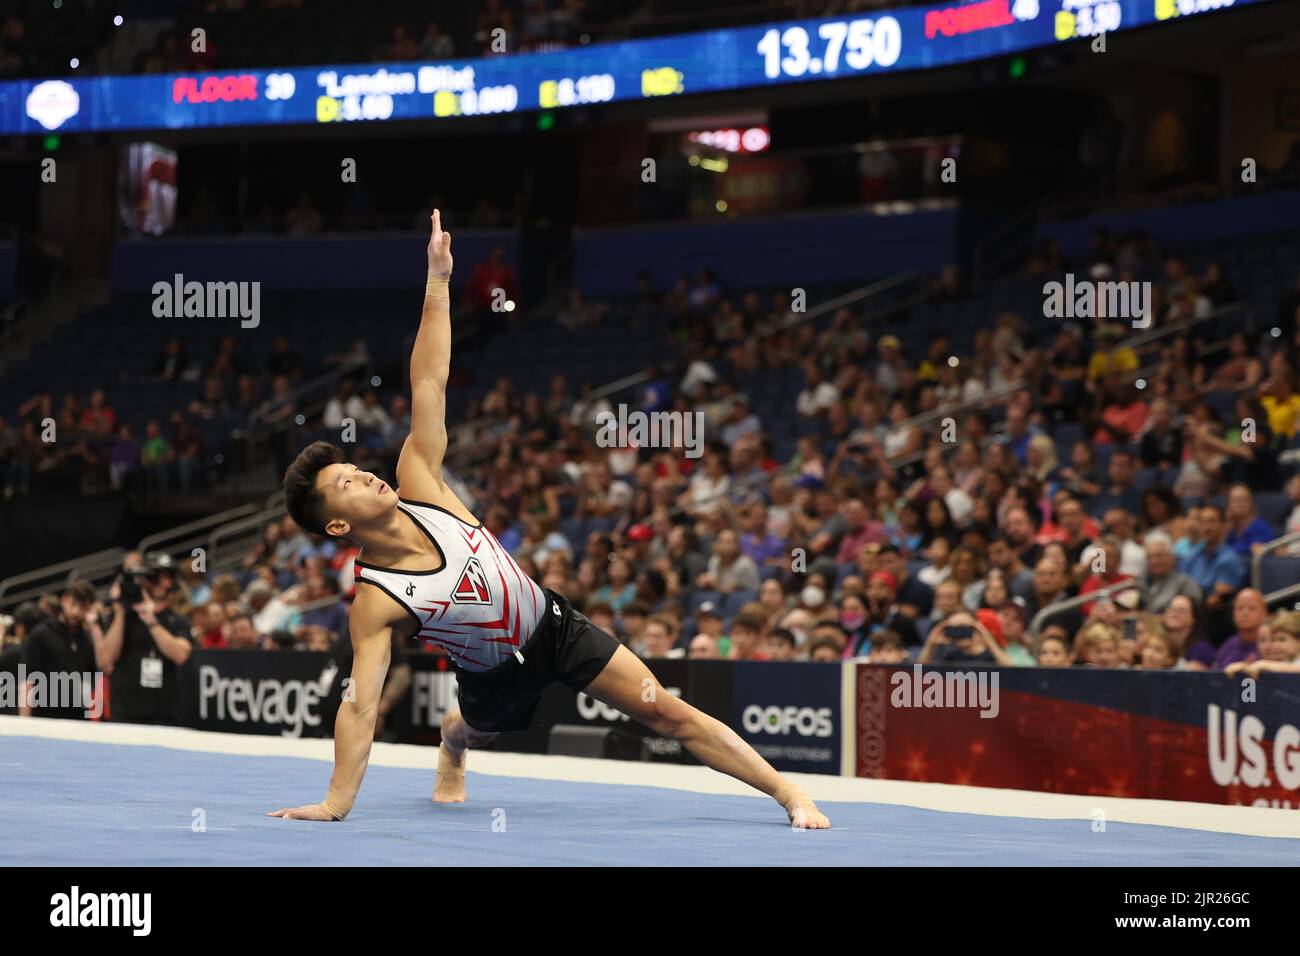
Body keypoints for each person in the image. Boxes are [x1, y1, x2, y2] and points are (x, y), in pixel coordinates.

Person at [270, 214, 828, 829]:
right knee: (472, 728)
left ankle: (788, 793)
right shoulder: (375, 600)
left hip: (555, 625)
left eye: (353, 465)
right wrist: (335, 803)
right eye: (345, 483)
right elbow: (360, 705)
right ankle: (452, 743)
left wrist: (437, 280)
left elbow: (428, 378)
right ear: (338, 528)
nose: (364, 474)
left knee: (664, 711)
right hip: (493, 678)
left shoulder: (419, 480)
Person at [102, 554, 193, 724]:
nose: (160, 583)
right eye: (155, 577)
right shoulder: (123, 618)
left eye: (166, 577)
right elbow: (106, 662)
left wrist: (151, 622)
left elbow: (181, 655)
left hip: (165, 714)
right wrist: (120, 613)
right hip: (125, 712)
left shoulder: (178, 621)